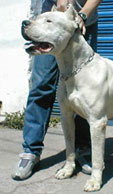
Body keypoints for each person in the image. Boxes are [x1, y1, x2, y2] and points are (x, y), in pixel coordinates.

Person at [12, 0, 102, 180]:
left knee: (85, 91)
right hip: (50, 19)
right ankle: (31, 151)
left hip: (84, 21)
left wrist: (82, 15)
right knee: (42, 86)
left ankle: (83, 148)